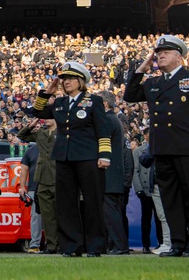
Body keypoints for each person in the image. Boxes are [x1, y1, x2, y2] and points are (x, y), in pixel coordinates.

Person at [124, 35, 189, 257]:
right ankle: (178, 243)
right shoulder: (154, 82)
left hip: (187, 147)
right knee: (170, 199)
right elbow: (129, 95)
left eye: (165, 52)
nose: (160, 55)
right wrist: (140, 70)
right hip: (162, 148)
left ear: (179, 56)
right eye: (158, 53)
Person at [30, 62, 113, 257]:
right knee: (65, 204)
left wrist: (105, 156)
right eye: (64, 79)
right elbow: (37, 112)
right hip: (64, 157)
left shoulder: (93, 101)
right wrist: (46, 93)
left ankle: (95, 246)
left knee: (92, 202)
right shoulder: (58, 103)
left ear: (81, 81)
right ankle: (70, 246)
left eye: (71, 78)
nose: (66, 82)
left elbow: (103, 130)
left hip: (89, 157)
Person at [98, 89, 132, 255]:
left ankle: (119, 245)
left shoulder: (107, 120)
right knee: (113, 212)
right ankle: (115, 245)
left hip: (109, 174)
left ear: (104, 103)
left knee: (111, 213)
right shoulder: (114, 119)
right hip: (114, 174)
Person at [17, 117, 58, 254]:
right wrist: (31, 125)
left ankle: (63, 244)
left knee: (61, 214)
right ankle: (51, 245)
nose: (45, 119)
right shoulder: (41, 133)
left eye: (49, 116)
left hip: (58, 176)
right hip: (41, 178)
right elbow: (21, 136)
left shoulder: (63, 131)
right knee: (46, 216)